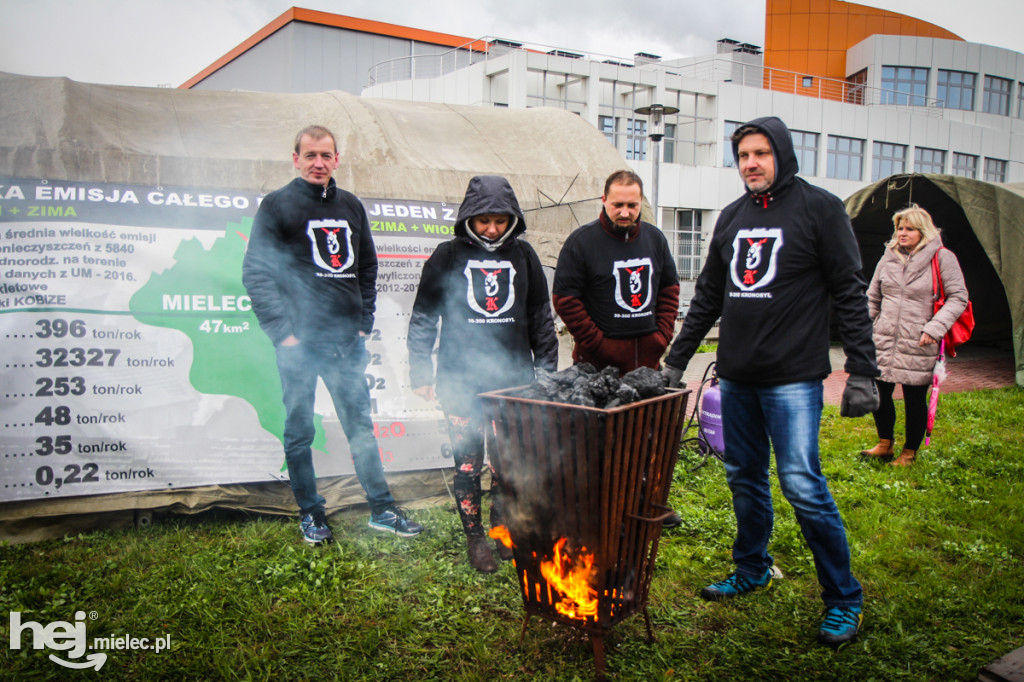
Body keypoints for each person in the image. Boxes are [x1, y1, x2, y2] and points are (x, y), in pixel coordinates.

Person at [662, 116, 879, 646]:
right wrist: (675, 362)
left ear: (781, 154)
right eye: (742, 157)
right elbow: (709, 295)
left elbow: (849, 292)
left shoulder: (819, 209)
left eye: (760, 153)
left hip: (793, 380)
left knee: (802, 484)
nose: (751, 164)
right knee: (744, 477)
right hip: (736, 378)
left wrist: (863, 370)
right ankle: (754, 567)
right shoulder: (732, 217)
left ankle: (843, 599)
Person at [242, 124, 423, 545]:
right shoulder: (277, 206)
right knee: (300, 430)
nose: (319, 163)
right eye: (310, 155)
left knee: (360, 426)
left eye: (326, 155)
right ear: (296, 159)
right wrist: (283, 334)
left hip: (347, 344)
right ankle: (311, 513)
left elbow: (367, 268)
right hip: (299, 346)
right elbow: (256, 273)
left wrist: (363, 323)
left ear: (337, 159)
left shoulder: (351, 206)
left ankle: (381, 508)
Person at [407, 175, 558, 573]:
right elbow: (423, 317)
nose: (492, 228)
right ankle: (475, 537)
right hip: (461, 383)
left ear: (513, 219)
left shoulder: (524, 257)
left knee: (508, 465)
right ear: (468, 218)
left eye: (500, 220)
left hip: (515, 382)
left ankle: (499, 528)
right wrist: (420, 371)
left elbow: (542, 319)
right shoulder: (447, 256)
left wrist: (546, 374)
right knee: (469, 465)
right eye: (483, 220)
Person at [861, 204, 968, 467]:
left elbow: (958, 297)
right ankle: (885, 444)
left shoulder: (942, 257)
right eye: (899, 228)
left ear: (923, 231)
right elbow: (873, 296)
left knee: (914, 398)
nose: (902, 233)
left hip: (920, 339)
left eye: (909, 229)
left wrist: (934, 328)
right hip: (884, 338)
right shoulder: (888, 257)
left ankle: (909, 452)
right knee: (878, 393)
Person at [551, 170, 680, 375]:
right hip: (595, 370)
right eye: (617, 205)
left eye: (632, 205)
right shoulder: (581, 242)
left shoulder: (655, 239)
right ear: (604, 200)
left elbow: (669, 290)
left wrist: (661, 338)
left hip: (648, 368)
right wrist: (599, 344)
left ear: (640, 203)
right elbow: (565, 300)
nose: (625, 212)